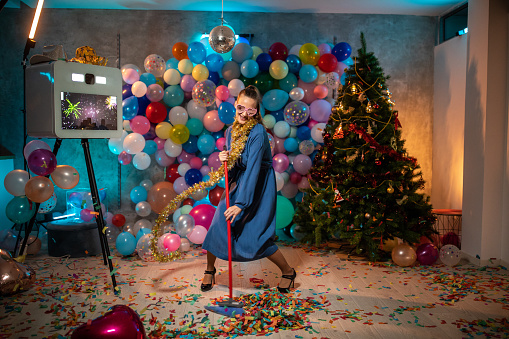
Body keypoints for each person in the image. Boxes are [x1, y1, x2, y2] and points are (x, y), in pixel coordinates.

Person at [201, 85, 296, 293]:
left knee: (257, 236)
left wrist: (241, 205)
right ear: (235, 105)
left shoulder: (258, 132)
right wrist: (225, 160)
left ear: (256, 112)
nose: (244, 114)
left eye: (250, 110)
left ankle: (288, 271)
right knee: (218, 225)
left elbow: (253, 168)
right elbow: (237, 168)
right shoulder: (230, 131)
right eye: (241, 108)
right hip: (240, 182)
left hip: (259, 186)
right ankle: (210, 270)